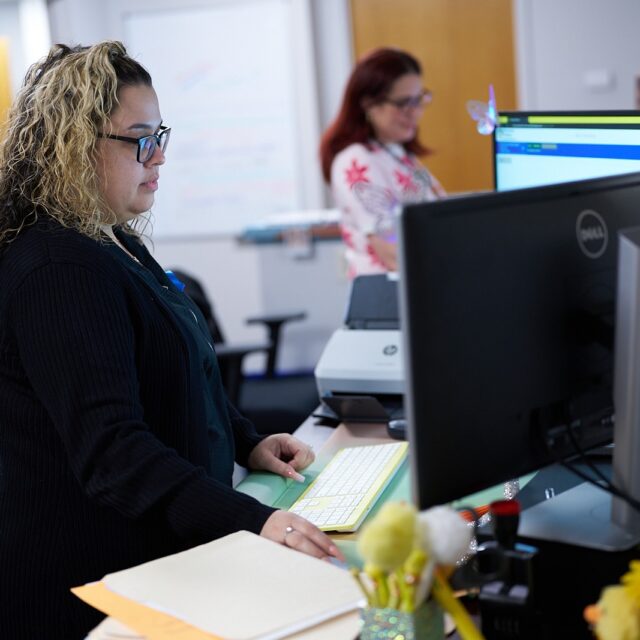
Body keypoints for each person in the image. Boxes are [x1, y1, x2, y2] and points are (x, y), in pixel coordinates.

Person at [0, 41, 342, 639]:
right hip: (88, 586)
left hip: (157, 552)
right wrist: (253, 519)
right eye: (139, 140)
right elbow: (113, 454)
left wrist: (246, 441)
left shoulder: (111, 238)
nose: (158, 158)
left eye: (160, 135)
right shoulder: (57, 269)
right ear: (73, 147)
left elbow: (182, 362)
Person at [319, 47, 446, 278]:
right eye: (402, 103)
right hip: (389, 299)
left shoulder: (398, 154)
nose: (414, 112)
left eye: (418, 100)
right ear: (369, 104)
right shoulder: (356, 161)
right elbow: (392, 253)